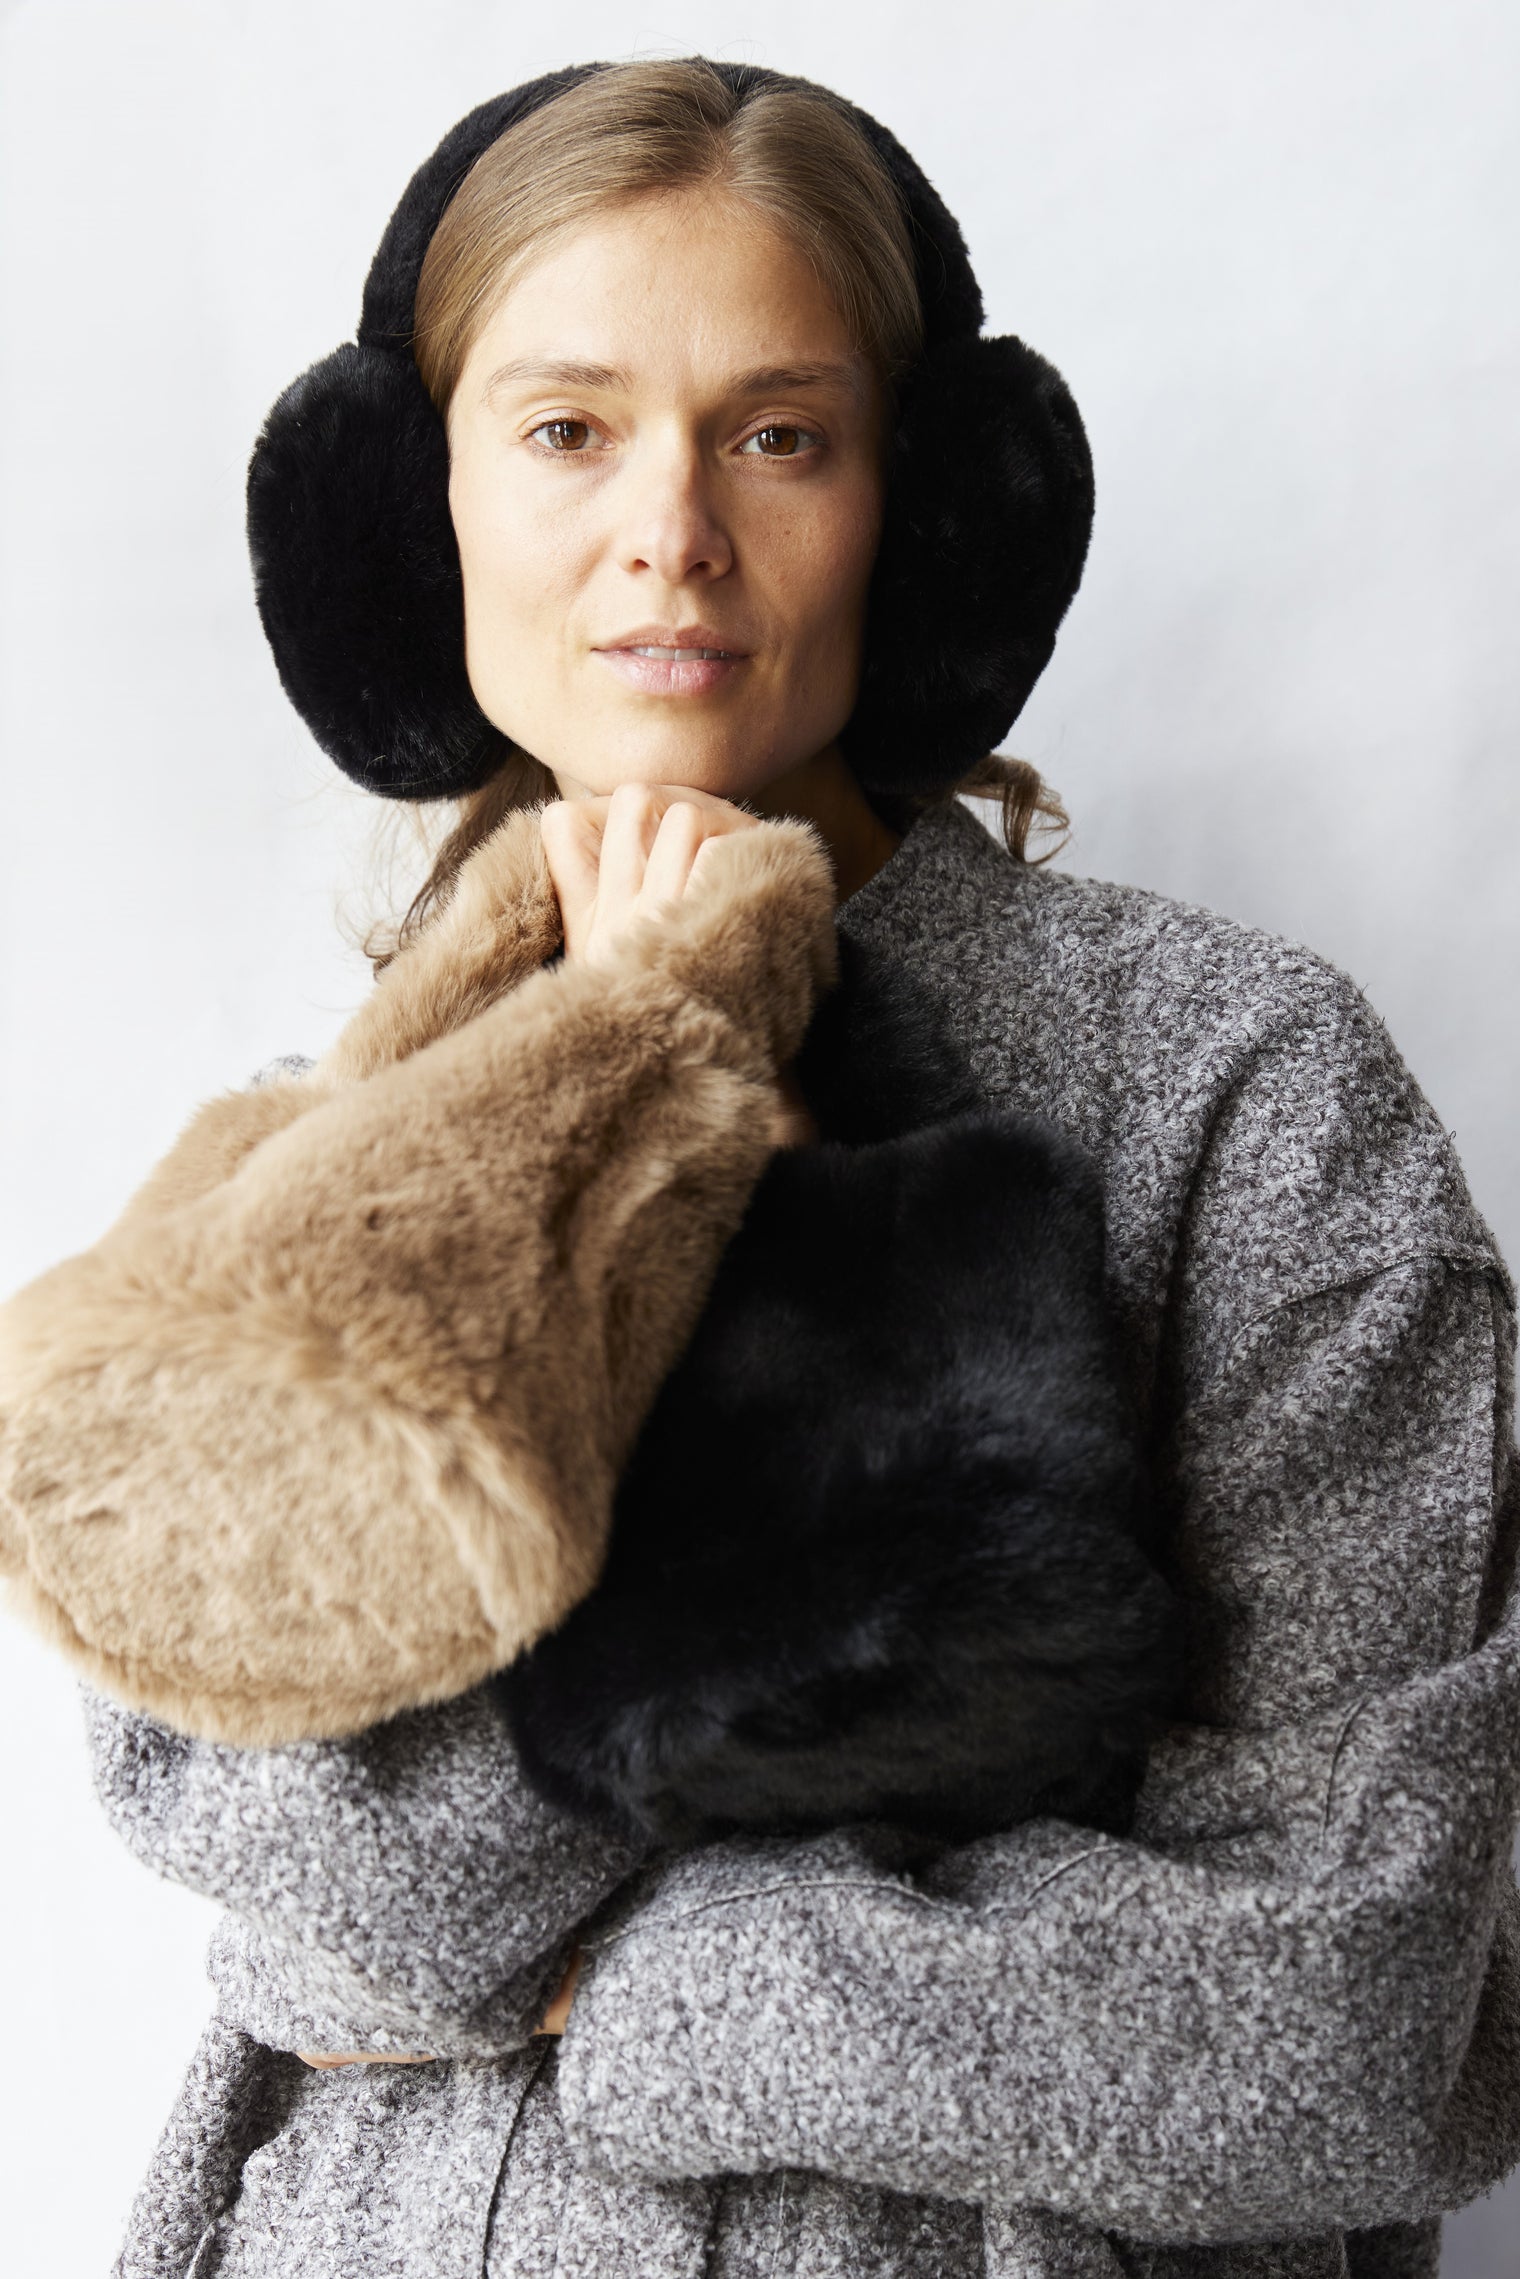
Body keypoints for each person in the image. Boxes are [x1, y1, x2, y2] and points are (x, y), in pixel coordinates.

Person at [3, 55, 1517, 2279]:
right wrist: (618, 1106)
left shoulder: (1238, 1092)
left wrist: (626, 1992)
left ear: (928, 508)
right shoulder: (297, 1165)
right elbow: (317, 1905)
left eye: (777, 434)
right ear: (405, 512)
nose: (672, 535)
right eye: (565, 428)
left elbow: (1350, 2016)